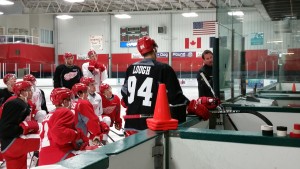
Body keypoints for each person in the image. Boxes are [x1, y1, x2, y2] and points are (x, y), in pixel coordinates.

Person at [121, 36, 219, 135]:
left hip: (130, 126)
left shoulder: (130, 68)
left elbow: (124, 98)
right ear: (154, 49)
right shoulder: (163, 68)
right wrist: (192, 105)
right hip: (152, 125)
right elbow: (175, 97)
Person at [39, 87, 91, 166]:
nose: (72, 102)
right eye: (70, 99)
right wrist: (76, 134)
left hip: (43, 158)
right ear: (65, 102)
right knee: (92, 157)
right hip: (59, 156)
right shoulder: (65, 111)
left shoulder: (48, 115)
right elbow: (59, 135)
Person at [0, 81, 40, 169]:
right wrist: (24, 128)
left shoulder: (22, 103)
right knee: (45, 139)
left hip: (10, 143)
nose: (31, 92)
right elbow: (5, 128)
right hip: (11, 144)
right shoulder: (15, 103)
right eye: (29, 90)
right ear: (21, 92)